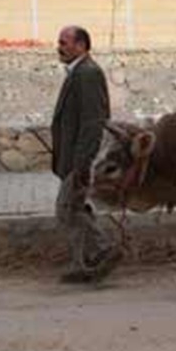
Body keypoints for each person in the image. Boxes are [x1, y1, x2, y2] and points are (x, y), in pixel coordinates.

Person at [51, 26, 122, 283]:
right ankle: (86, 263)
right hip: (73, 159)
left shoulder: (87, 73)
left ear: (81, 46)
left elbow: (93, 122)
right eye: (59, 42)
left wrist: (83, 164)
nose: (59, 46)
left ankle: (101, 250)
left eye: (64, 42)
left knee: (66, 208)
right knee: (75, 208)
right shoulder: (78, 72)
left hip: (80, 160)